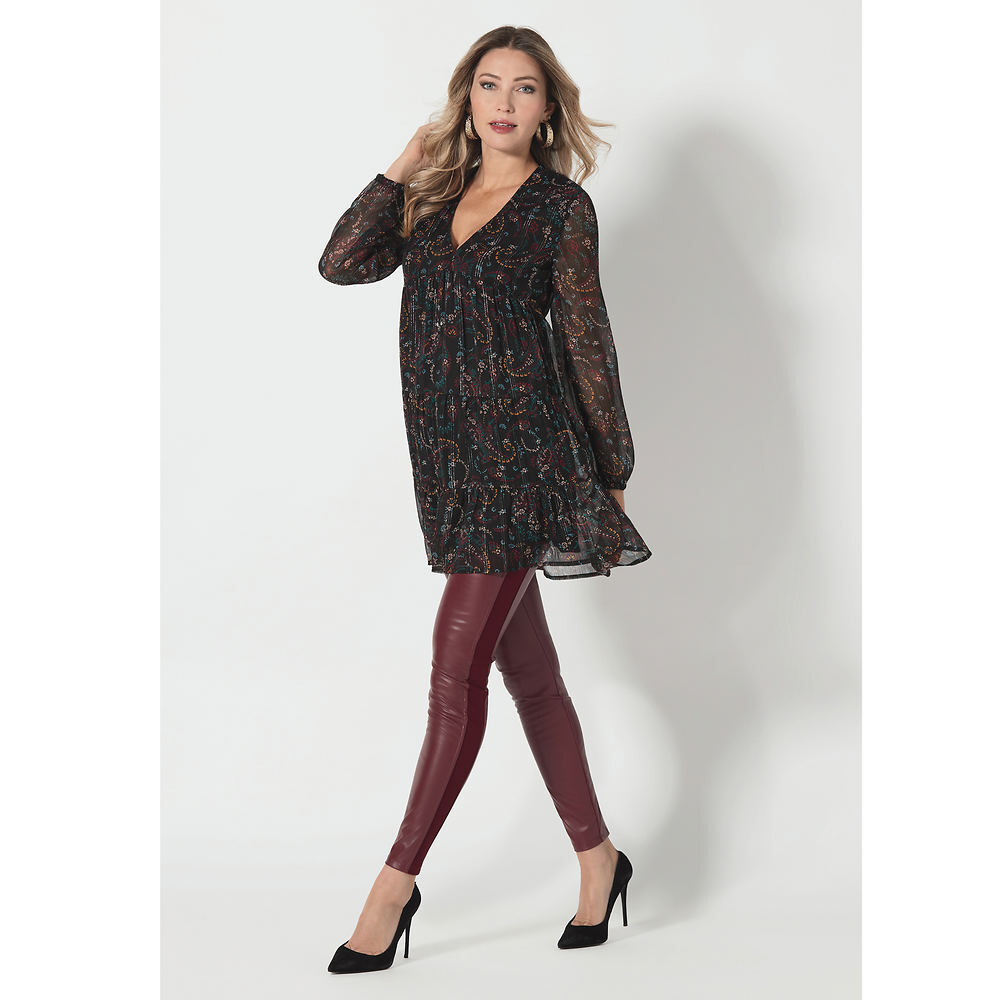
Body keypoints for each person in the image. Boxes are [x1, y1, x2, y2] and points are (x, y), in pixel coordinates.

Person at [318, 26, 649, 974]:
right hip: (450, 467)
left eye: (526, 88)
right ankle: (599, 858)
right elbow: (341, 263)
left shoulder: (560, 208)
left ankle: (393, 886)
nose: (505, 103)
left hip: (527, 460)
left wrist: (610, 465)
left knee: (453, 670)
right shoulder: (427, 199)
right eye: (490, 85)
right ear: (466, 98)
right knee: (531, 677)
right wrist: (402, 164)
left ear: (549, 108)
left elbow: (586, 336)